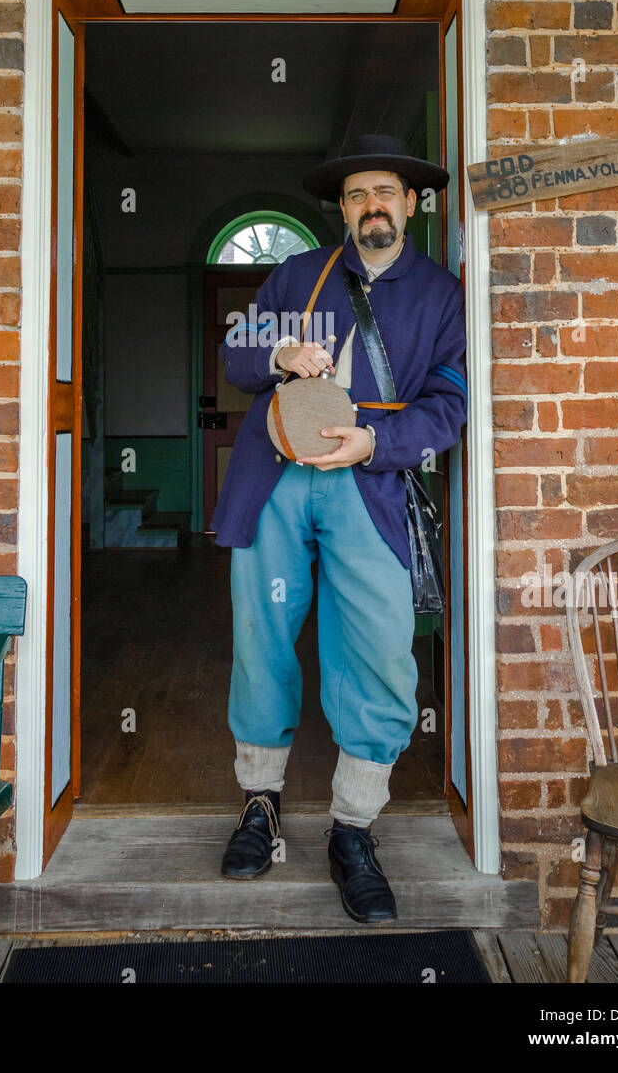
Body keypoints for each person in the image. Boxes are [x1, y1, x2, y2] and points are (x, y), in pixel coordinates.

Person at [210, 134, 468, 922]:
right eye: (357, 196)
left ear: (411, 204)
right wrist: (280, 351)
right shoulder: (298, 273)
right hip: (276, 478)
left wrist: (376, 444)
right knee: (260, 636)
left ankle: (353, 828)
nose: (371, 207)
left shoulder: (443, 294)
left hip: (371, 484)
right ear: (345, 209)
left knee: (379, 650)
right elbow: (236, 352)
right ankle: (260, 804)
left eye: (385, 192)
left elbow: (450, 404)